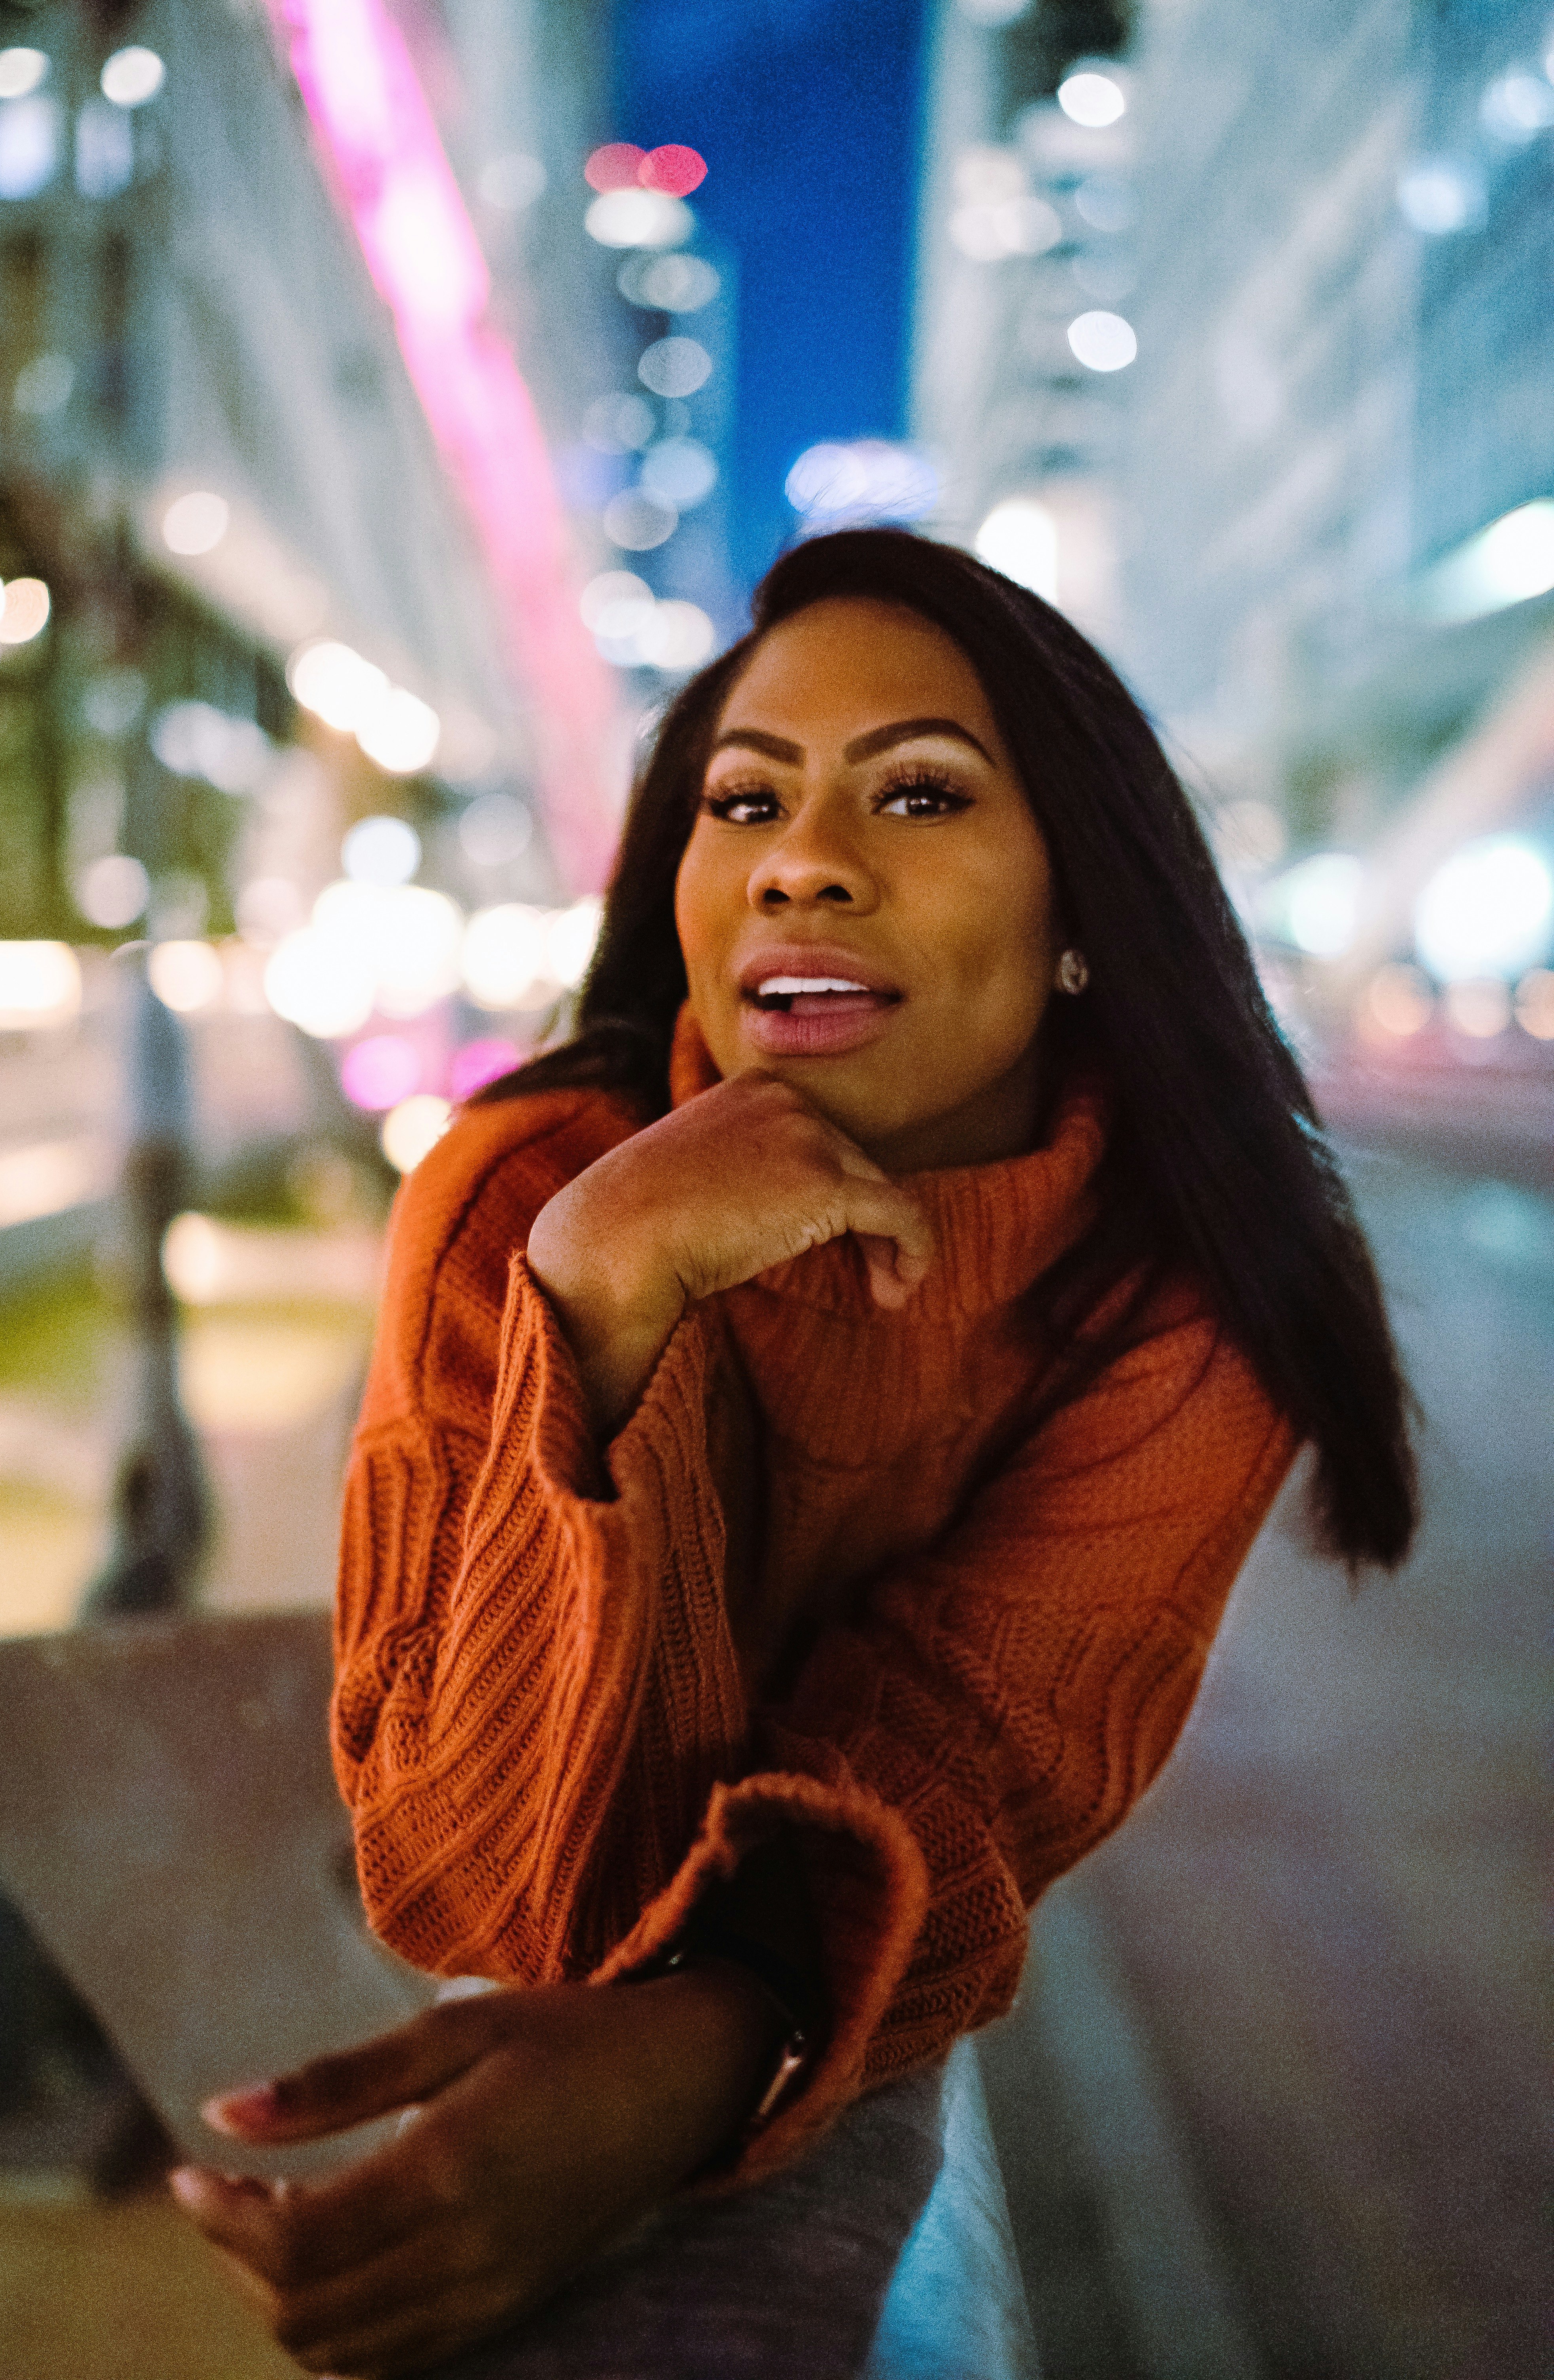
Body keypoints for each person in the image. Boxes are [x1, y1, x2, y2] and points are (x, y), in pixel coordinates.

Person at [171, 528, 1417, 2376]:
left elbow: (967, 1755)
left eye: (918, 794)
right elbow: (480, 1888)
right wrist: (604, 1308)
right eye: (742, 802)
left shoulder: (1187, 1294)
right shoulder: (526, 1194)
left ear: (1087, 905)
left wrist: (719, 2037)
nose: (803, 864)